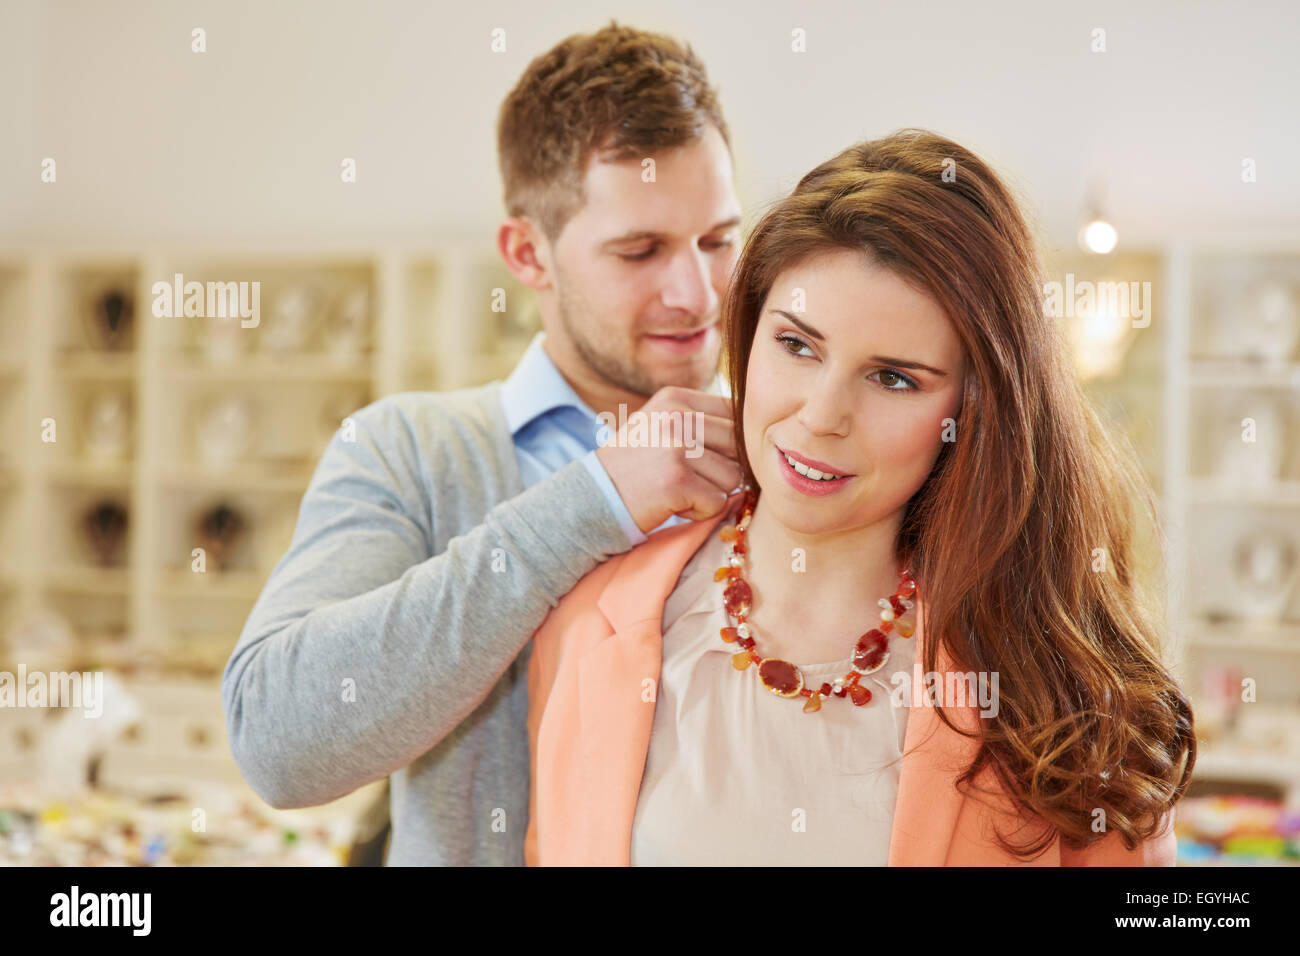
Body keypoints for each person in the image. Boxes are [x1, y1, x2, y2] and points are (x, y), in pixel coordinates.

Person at [525, 129, 1197, 866]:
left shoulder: (1063, 695)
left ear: (971, 411)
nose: (820, 415)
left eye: (894, 378)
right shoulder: (592, 620)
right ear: (747, 335)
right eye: (797, 345)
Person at [222, 21, 745, 866]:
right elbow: (277, 743)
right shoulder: (408, 450)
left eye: (719, 240)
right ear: (526, 252)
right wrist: (595, 503)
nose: (696, 292)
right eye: (639, 250)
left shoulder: (790, 460)